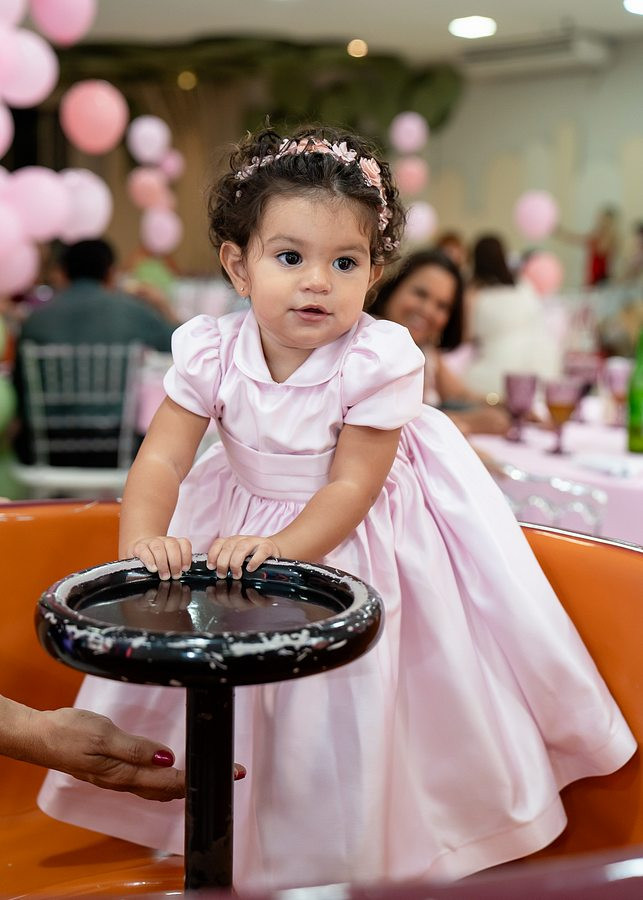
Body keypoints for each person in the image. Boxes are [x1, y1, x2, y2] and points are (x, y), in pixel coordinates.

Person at [39, 126, 635, 892]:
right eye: (290, 257)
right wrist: (145, 537)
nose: (317, 282)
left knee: (350, 692)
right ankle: (243, 831)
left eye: (344, 263)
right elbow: (162, 457)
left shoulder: (375, 358)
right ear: (239, 265)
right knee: (239, 683)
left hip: (357, 534)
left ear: (373, 274)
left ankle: (350, 849)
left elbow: (352, 486)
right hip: (236, 514)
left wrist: (285, 548)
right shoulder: (212, 351)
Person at [11, 239, 179, 466]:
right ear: (110, 273)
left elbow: (20, 385)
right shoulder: (132, 312)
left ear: (63, 273)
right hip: (117, 447)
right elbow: (182, 347)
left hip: (43, 449)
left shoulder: (35, 320)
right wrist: (163, 305)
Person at [369, 249, 510, 435]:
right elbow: (395, 423)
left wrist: (508, 405)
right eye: (420, 294)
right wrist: (467, 421)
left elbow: (459, 394)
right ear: (393, 287)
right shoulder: (369, 343)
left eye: (442, 306)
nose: (428, 310)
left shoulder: (425, 349)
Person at [464, 234, 561, 397]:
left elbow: (467, 334)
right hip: (543, 365)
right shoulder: (524, 286)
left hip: (497, 373)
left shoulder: (474, 294)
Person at [557, 206, 620, 286]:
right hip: (592, 277)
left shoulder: (613, 237)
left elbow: (602, 250)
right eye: (601, 219)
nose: (602, 222)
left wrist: (602, 234)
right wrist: (560, 232)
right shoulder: (596, 235)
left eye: (605, 220)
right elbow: (576, 238)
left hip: (603, 279)